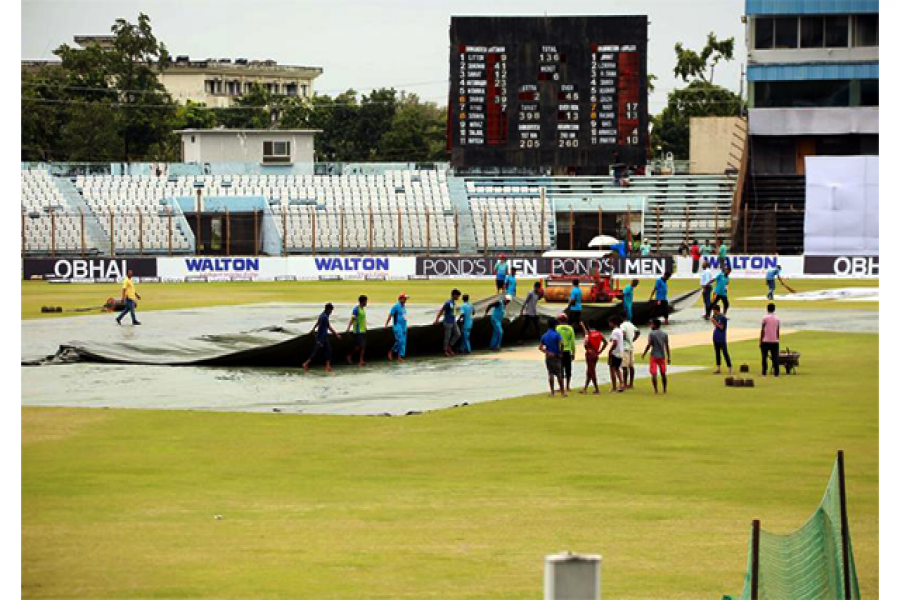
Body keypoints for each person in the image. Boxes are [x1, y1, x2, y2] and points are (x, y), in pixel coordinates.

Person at [303, 303, 339, 373]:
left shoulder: (322, 315)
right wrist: (336, 334)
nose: (331, 312)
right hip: (321, 337)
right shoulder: (325, 317)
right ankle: (306, 363)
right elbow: (329, 327)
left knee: (328, 350)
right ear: (328, 309)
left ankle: (327, 366)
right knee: (316, 351)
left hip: (323, 337)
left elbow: (317, 323)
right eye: (331, 310)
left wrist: (313, 329)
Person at [641, 318, 671, 394]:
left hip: (654, 356)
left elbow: (649, 344)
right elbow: (667, 346)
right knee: (663, 373)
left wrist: (644, 353)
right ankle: (664, 389)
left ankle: (656, 390)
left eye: (651, 324)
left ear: (654, 325)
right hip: (662, 356)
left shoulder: (651, 333)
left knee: (654, 374)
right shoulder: (664, 334)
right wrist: (669, 357)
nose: (650, 325)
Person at [539, 318, 566, 397]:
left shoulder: (544, 335)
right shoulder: (557, 334)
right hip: (556, 356)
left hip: (548, 357)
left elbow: (540, 347)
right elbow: (562, 344)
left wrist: (547, 352)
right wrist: (561, 352)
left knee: (550, 374)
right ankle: (562, 392)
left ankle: (552, 392)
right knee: (559, 374)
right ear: (555, 325)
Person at [580, 324, 608, 394]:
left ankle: (597, 389)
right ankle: (585, 388)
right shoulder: (599, 333)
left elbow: (585, 344)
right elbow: (605, 342)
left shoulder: (588, 334)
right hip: (596, 354)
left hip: (590, 354)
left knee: (591, 372)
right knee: (590, 371)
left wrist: (588, 349)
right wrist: (600, 351)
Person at [435, 289, 462, 357]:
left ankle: (449, 346)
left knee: (458, 334)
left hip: (453, 321)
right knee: (447, 337)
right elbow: (442, 310)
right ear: (454, 295)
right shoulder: (448, 303)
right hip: (447, 322)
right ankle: (445, 350)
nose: (458, 297)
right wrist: (437, 319)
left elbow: (454, 311)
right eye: (458, 296)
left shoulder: (454, 303)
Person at [345, 295, 368, 366]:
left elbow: (362, 320)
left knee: (361, 346)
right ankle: (353, 357)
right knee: (361, 346)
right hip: (358, 331)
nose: (367, 302)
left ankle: (356, 358)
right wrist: (348, 328)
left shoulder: (362, 309)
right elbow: (352, 319)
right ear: (363, 301)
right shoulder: (356, 309)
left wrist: (365, 327)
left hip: (363, 330)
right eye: (366, 301)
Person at [386, 293, 409, 362]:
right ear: (400, 299)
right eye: (404, 299)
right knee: (400, 340)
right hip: (397, 326)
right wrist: (386, 323)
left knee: (403, 342)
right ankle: (391, 351)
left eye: (406, 299)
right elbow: (390, 314)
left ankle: (400, 356)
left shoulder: (404, 307)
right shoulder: (396, 306)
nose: (405, 300)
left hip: (403, 326)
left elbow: (404, 316)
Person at [556, 313, 576, 393]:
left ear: (559, 320)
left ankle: (561, 386)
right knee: (568, 369)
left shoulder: (557, 328)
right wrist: (573, 352)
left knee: (560, 370)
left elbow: (556, 340)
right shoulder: (570, 328)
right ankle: (567, 386)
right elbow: (572, 342)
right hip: (568, 351)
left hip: (559, 351)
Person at [760, 303, 781, 377]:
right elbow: (778, 330)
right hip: (775, 341)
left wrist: (760, 340)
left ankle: (764, 372)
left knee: (764, 357)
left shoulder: (765, 318)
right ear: (774, 309)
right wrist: (777, 339)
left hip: (765, 340)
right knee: (775, 357)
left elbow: (762, 330)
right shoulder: (777, 318)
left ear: (767, 309)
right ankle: (776, 373)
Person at [620, 315, 641, 389]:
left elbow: (623, 333)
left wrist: (621, 340)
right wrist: (633, 339)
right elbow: (638, 332)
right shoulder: (631, 324)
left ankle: (625, 383)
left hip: (625, 347)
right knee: (631, 366)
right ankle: (631, 383)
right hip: (631, 347)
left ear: (621, 318)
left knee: (624, 367)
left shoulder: (622, 325)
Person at [711, 304, 732, 375]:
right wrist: (714, 322)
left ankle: (729, 367)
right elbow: (717, 326)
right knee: (717, 353)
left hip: (721, 338)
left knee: (725, 353)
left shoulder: (723, 317)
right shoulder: (715, 316)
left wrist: (714, 322)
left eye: (713, 310)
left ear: (716, 310)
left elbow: (722, 327)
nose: (712, 311)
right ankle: (718, 368)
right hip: (716, 337)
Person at [607, 316, 625, 393]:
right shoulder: (620, 331)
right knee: (617, 369)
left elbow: (615, 343)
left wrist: (610, 351)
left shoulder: (614, 331)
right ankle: (622, 384)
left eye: (610, 323)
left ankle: (614, 387)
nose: (609, 324)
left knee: (612, 370)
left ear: (612, 323)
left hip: (615, 352)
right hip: (620, 352)